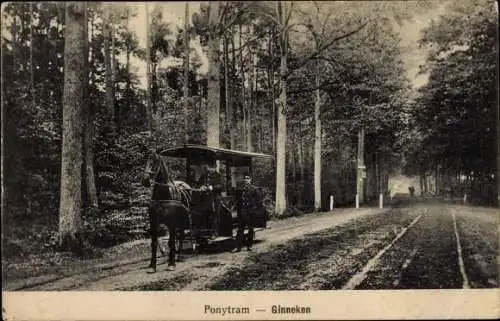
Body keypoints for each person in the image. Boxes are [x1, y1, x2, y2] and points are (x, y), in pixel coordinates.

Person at [234, 173, 261, 252]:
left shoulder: (254, 189)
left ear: (250, 180)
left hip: (250, 211)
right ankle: (238, 247)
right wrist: (239, 210)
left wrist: (255, 210)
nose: (246, 180)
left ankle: (249, 246)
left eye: (248, 178)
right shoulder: (241, 189)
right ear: (244, 180)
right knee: (240, 229)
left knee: (250, 229)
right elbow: (238, 201)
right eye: (245, 179)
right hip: (243, 211)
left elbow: (258, 200)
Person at [199, 163, 223, 238]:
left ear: (215, 167)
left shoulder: (218, 175)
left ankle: (214, 233)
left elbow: (221, 186)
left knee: (215, 215)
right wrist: (201, 186)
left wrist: (213, 187)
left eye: (212, 167)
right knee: (204, 214)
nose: (211, 169)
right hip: (206, 198)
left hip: (215, 197)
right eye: (210, 167)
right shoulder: (204, 175)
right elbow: (199, 183)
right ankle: (205, 231)